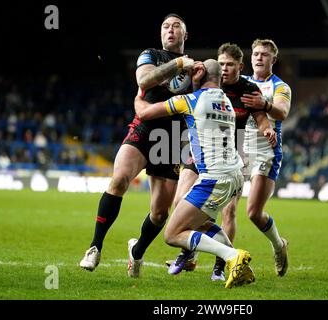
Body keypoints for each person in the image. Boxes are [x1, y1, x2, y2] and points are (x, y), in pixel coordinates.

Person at [79, 13, 195, 277]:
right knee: (119, 180)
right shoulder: (150, 55)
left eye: (177, 27)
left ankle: (137, 251)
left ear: (185, 35)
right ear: (160, 33)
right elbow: (144, 81)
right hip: (145, 128)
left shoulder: (194, 67)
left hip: (174, 138)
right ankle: (95, 246)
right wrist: (178, 64)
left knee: (159, 213)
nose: (171, 30)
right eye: (166, 26)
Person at [134, 59, 257, 289]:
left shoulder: (191, 100)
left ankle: (232, 257)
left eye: (193, 72)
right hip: (234, 175)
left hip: (214, 178)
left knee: (172, 234)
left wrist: (140, 94)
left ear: (200, 73)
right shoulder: (227, 102)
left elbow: (145, 113)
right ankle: (238, 263)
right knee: (200, 224)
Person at [166, 43, 276, 281]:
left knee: (229, 212)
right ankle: (191, 254)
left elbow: (261, 119)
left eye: (230, 65)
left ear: (240, 67)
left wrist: (267, 130)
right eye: (222, 63)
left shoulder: (248, 89)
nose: (225, 69)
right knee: (181, 202)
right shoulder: (208, 82)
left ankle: (221, 265)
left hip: (229, 156)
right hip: (200, 150)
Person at [240, 38, 292, 277]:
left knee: (253, 212)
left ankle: (278, 244)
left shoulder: (280, 87)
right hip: (238, 149)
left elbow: (282, 111)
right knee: (226, 208)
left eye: (264, 54)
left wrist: (265, 103)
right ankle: (221, 264)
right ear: (250, 58)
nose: (259, 58)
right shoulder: (241, 83)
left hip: (265, 150)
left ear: (274, 59)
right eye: (256, 54)